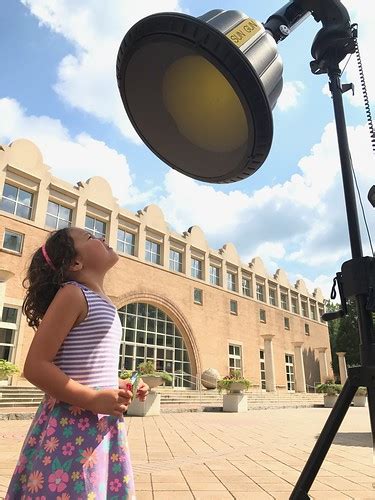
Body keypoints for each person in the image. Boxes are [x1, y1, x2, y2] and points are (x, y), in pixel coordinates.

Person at [5, 227, 149, 500]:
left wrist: (121, 385)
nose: (103, 237)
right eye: (91, 238)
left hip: (97, 423)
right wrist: (93, 398)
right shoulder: (73, 294)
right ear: (75, 263)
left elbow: (88, 365)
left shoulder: (103, 302)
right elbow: (35, 366)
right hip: (71, 426)